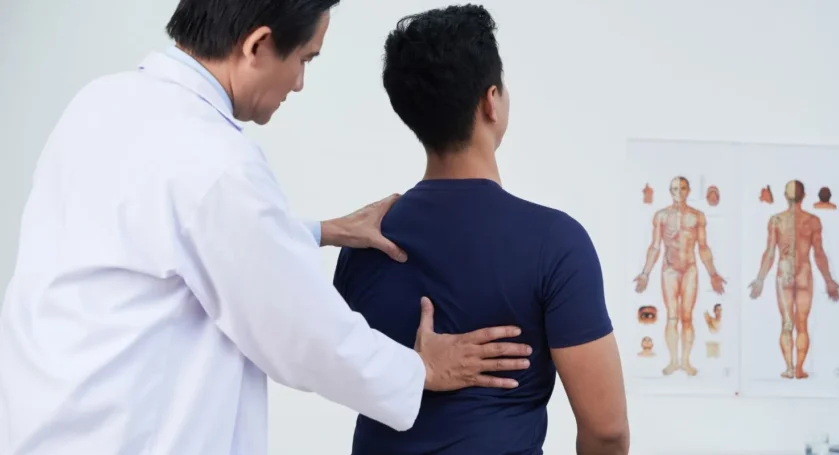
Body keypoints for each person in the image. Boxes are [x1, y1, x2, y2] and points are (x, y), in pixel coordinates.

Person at [0, 1, 535, 454]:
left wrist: (319, 231)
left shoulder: (103, 101)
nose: (300, 83)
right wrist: (421, 371)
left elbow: (159, 238)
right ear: (257, 46)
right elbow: (304, 334)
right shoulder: (215, 163)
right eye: (304, 59)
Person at [332, 5, 629, 455]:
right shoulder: (556, 243)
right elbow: (606, 429)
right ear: (491, 101)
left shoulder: (365, 240)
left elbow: (340, 373)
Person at [748, 180, 839, 379]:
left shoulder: (776, 220)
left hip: (784, 272)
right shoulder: (813, 220)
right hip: (804, 273)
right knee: (802, 323)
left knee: (787, 323)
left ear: (784, 195)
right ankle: (799, 369)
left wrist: (760, 279)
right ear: (804, 196)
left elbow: (770, 252)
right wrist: (829, 280)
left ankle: (790, 368)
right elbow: (818, 253)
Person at [634, 176, 726, 377]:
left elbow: (703, 247)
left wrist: (713, 274)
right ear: (670, 190)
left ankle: (685, 361)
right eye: (675, 188)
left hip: (689, 269)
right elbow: (655, 246)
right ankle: (673, 361)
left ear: (688, 190)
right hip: (669, 270)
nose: (679, 192)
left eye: (683, 188)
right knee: (672, 316)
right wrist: (645, 273)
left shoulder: (697, 216)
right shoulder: (661, 216)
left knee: (687, 317)